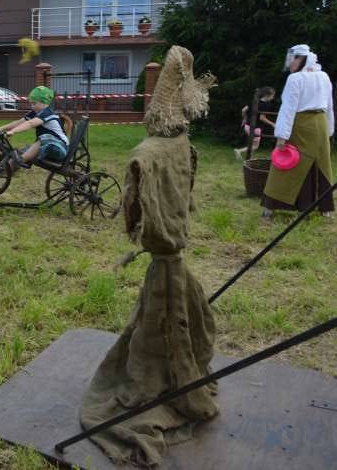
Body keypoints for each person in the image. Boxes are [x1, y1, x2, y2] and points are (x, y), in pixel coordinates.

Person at [80, 46, 218, 466]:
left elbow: (134, 219)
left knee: (160, 328)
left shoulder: (147, 154)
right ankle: (175, 366)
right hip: (171, 256)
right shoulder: (182, 144)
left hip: (167, 261)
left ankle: (159, 377)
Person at [262, 44, 335, 220]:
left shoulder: (295, 79)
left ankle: (269, 210)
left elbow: (288, 108)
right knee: (319, 165)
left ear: (302, 59)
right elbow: (330, 106)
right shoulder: (324, 76)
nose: (291, 63)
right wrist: (330, 129)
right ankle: (324, 209)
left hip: (300, 125)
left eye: (293, 59)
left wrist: (282, 136)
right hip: (320, 126)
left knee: (286, 162)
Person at [0, 86, 68, 167]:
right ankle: (7, 168)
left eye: (34, 103)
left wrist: (13, 131)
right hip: (49, 146)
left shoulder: (48, 113)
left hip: (59, 147)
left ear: (43, 102)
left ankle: (21, 160)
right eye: (31, 103)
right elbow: (19, 122)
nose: (32, 106)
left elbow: (30, 123)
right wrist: (1, 128)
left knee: (44, 138)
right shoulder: (35, 112)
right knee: (26, 149)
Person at [233, 86, 277, 160]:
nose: (273, 97)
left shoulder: (254, 101)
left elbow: (243, 110)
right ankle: (239, 151)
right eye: (273, 95)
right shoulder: (266, 105)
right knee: (255, 146)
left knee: (252, 143)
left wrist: (244, 118)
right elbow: (262, 118)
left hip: (247, 126)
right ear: (267, 95)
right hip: (256, 128)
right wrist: (272, 124)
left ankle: (250, 159)